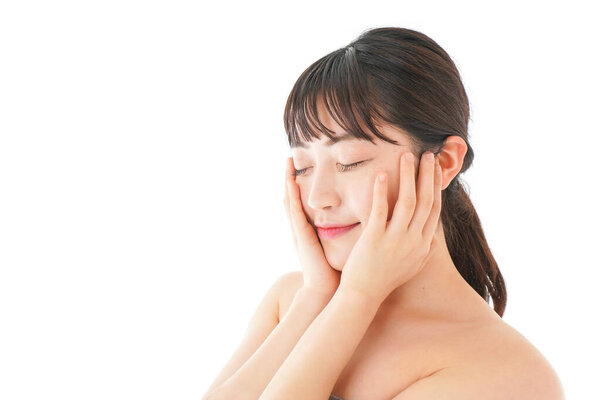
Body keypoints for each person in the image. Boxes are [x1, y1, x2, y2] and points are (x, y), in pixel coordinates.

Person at [201, 27, 564, 400]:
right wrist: (317, 299)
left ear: (443, 162)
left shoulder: (509, 373)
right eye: (304, 167)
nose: (318, 199)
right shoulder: (292, 300)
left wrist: (358, 295)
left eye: (349, 161)